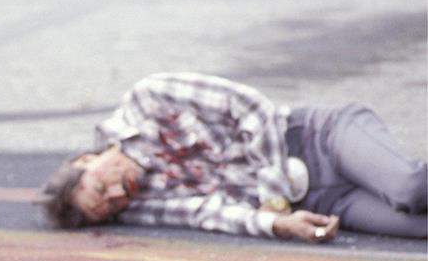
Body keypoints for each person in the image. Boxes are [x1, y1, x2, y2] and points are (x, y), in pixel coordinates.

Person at [41, 72, 427, 242]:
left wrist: (273, 198)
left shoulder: (147, 98)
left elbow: (249, 106)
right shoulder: (138, 207)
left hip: (319, 138)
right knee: (417, 226)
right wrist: (278, 224)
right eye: (109, 209)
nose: (116, 196)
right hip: (320, 200)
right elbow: (210, 213)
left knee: (409, 188)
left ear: (84, 160)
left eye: (101, 188)